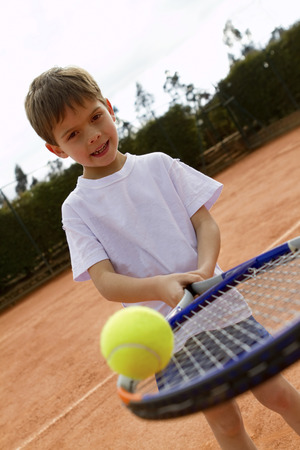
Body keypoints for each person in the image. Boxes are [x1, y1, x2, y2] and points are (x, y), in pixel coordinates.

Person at [25, 66, 300, 449]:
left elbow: (206, 225)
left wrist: (204, 271)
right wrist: (164, 288)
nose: (92, 136)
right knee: (226, 424)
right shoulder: (76, 209)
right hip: (169, 335)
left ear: (108, 107)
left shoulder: (158, 164)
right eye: (72, 134)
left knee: (278, 395)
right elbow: (105, 282)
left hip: (220, 304)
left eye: (95, 117)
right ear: (56, 149)